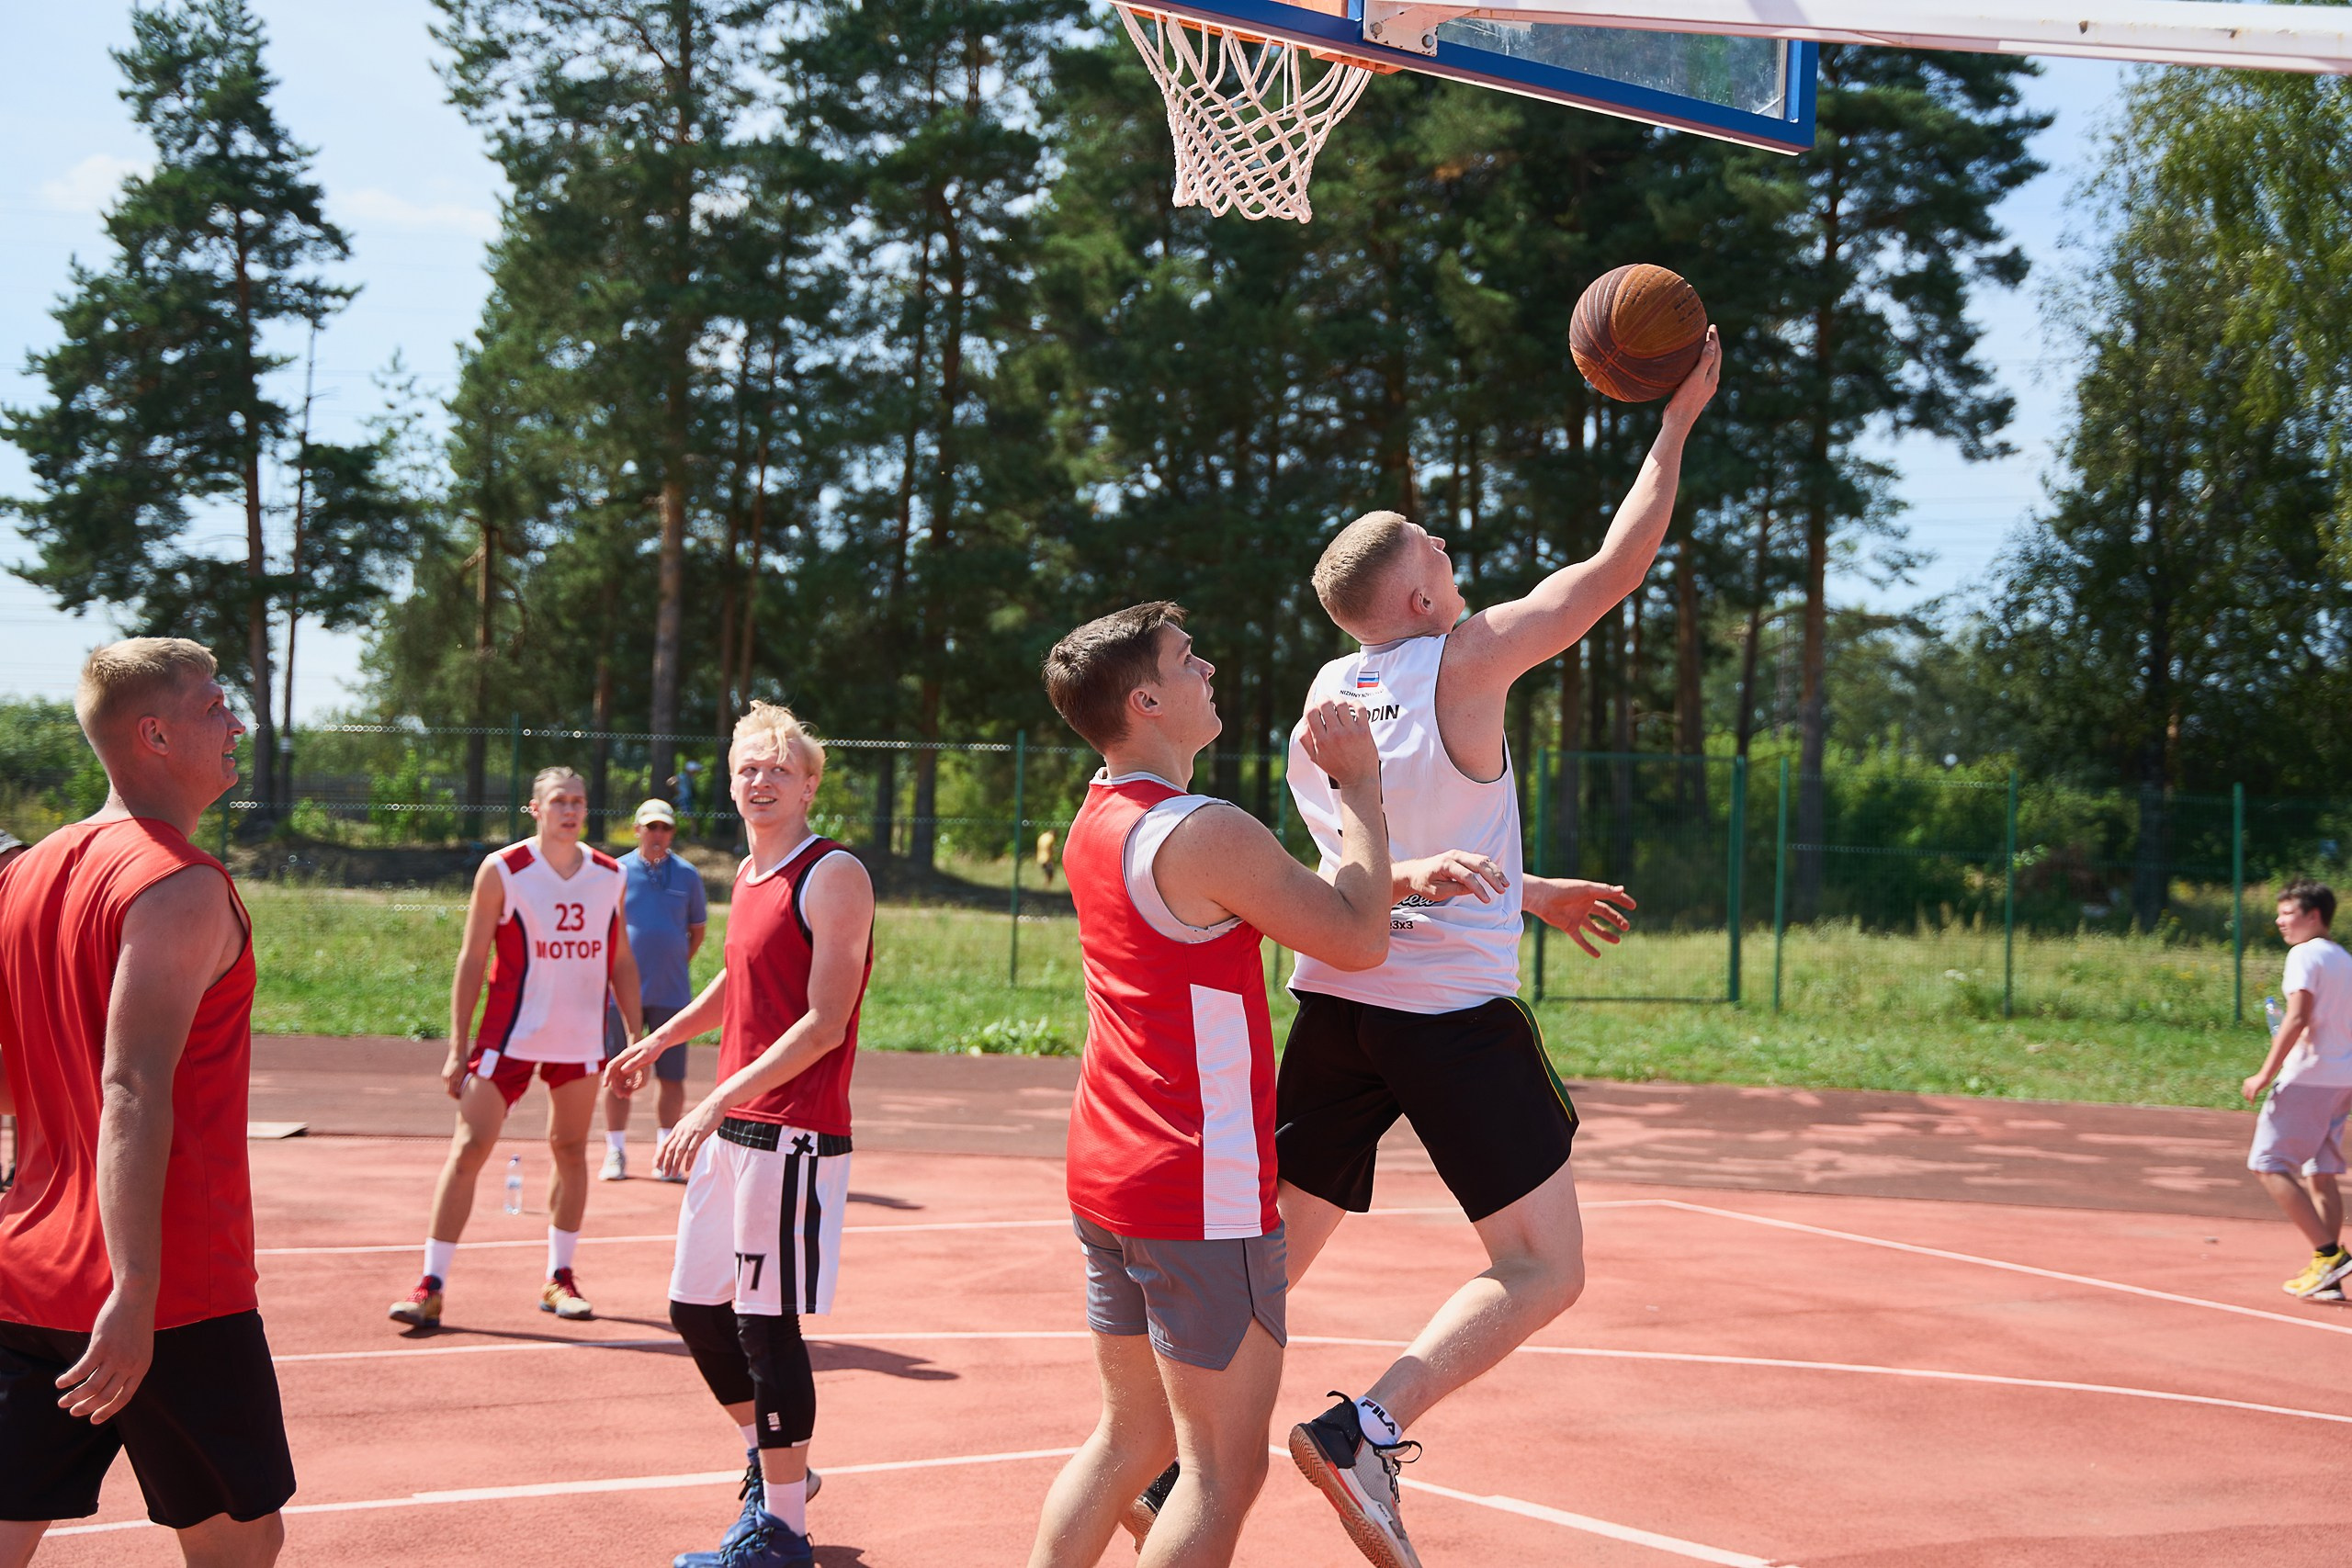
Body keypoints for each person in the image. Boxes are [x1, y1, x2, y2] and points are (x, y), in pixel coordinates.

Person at [1252, 332, 1718, 1568]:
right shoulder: (1467, 654)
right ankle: (1368, 1424)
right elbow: (1615, 567)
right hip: (1449, 1014)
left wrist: (1532, 885)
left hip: (1338, 1004)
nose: (1453, 558)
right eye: (1437, 550)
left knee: (1270, 1260)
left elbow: (1383, 863)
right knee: (1540, 1264)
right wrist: (1674, 426)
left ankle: (1162, 1450)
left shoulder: (1323, 703)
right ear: (1414, 595)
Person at [1024, 603, 1393, 1568]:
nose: (1211, 669)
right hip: (1196, 1181)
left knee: (1124, 1443)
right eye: (1190, 661)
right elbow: (1354, 940)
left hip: (1110, 1168)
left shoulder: (1100, 816)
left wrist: (1398, 875)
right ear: (1145, 700)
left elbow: (1272, 901)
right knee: (1222, 1473)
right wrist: (1360, 789)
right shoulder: (1206, 829)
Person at [0, 638, 294, 1568]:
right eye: (214, 706)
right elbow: (130, 1086)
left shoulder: (27, 877)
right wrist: (131, 1290)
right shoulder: (179, 885)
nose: (237, 721)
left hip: (25, 1273)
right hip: (168, 1293)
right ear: (155, 732)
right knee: (238, 1544)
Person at [605, 703, 873, 1568]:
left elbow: (825, 1021)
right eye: (746, 768)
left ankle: (783, 1533)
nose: (760, 780)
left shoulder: (832, 873)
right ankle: (779, 1468)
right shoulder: (753, 877)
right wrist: (661, 1037)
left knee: (767, 1326)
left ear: (809, 783)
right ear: (730, 781)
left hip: (790, 1132)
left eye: (777, 768)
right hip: (737, 1122)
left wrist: (712, 1098)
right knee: (695, 1308)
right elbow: (739, 979)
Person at [389, 768, 644, 1330]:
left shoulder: (608, 875)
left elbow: (621, 958)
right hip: (509, 1038)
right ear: (535, 808)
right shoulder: (505, 869)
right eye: (559, 801)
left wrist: (635, 1035)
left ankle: (561, 1278)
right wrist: (458, 1047)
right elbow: (473, 959)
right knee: (470, 1148)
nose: (571, 810)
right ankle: (430, 1285)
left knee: (571, 1149)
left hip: (577, 1040)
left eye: (579, 801)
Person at [2243, 878, 2352, 1300]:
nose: (2280, 920)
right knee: (2320, 1175)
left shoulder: (2303, 955)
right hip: (2342, 1079)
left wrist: (2264, 1073)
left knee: (2267, 1163)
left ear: (2314, 916)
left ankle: (2329, 1255)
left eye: (2288, 913)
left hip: (2308, 1078)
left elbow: (2297, 1016)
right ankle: (2330, 1281)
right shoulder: (2343, 958)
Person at [601, 798, 710, 1183]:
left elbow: (697, 931)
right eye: (651, 827)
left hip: (672, 991)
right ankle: (615, 1151)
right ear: (637, 830)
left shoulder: (688, 876)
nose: (658, 834)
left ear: (672, 833)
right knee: (620, 1071)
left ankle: (666, 1152)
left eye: (664, 827)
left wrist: (676, 959)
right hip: (621, 994)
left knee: (672, 1077)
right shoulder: (616, 872)